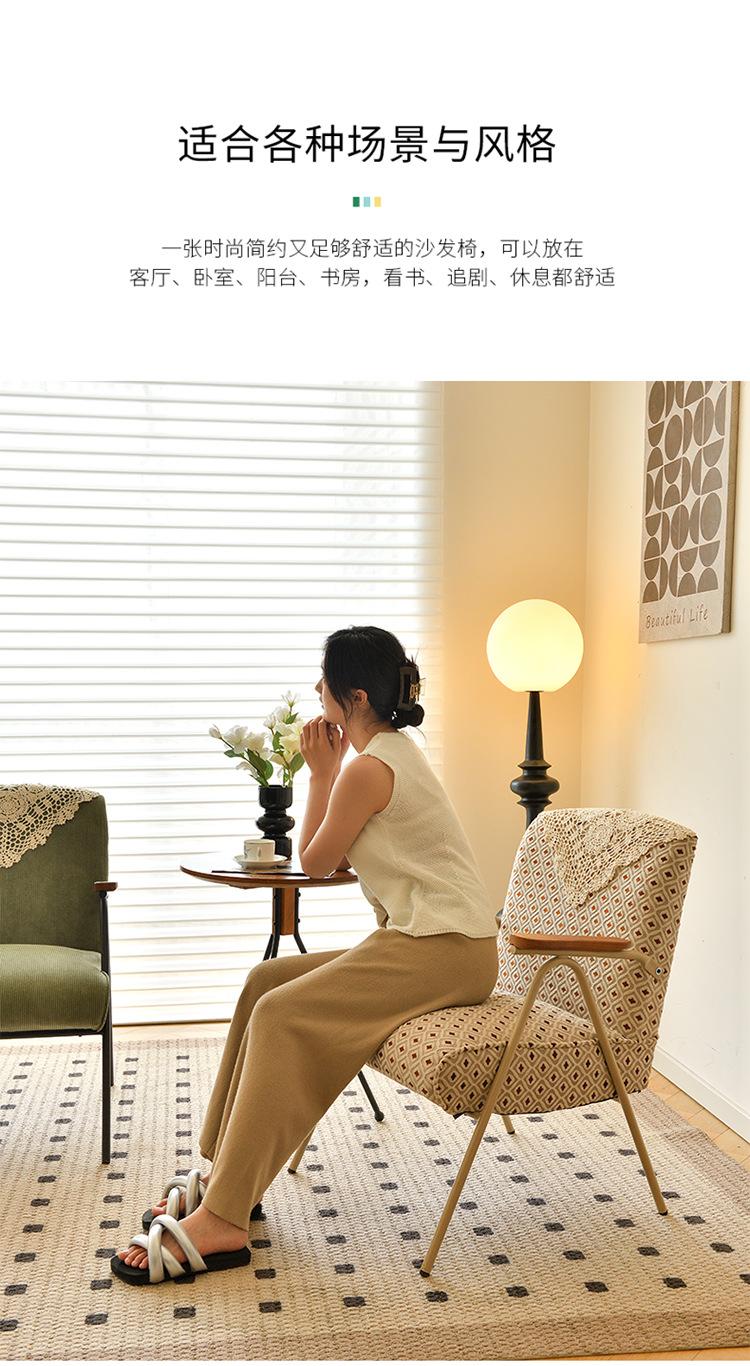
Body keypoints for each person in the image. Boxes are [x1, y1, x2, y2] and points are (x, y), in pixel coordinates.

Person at [112, 625, 499, 1285]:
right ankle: (226, 1173)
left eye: (324, 682)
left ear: (354, 697)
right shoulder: (388, 755)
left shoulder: (370, 769)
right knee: (266, 982)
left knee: (280, 1013)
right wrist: (328, 774)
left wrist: (321, 772)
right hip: (429, 940)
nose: (317, 691)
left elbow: (317, 863)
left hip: (445, 948)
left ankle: (223, 1220)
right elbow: (335, 857)